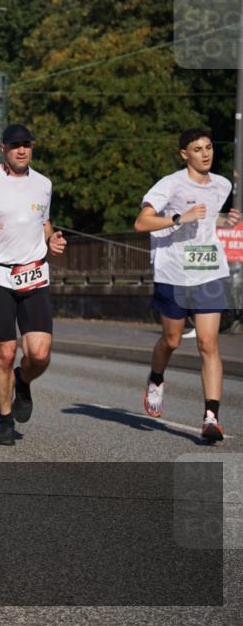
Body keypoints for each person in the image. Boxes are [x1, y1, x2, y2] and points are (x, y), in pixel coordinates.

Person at [134, 128, 240, 441]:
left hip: (207, 271)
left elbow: (207, 219)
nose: (206, 153)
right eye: (198, 149)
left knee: (208, 342)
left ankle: (211, 417)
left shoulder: (223, 184)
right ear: (185, 154)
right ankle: (156, 378)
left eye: (208, 147)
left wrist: (223, 221)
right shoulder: (170, 184)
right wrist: (180, 218)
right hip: (173, 273)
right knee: (172, 340)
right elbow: (142, 222)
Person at [0, 125, 67, 446]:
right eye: (15, 146)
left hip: (34, 273)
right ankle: (4, 421)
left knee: (39, 354)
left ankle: (22, 381)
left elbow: (44, 223)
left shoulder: (43, 184)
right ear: (3, 148)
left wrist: (51, 240)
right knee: (5, 351)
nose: (22, 150)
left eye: (27, 145)